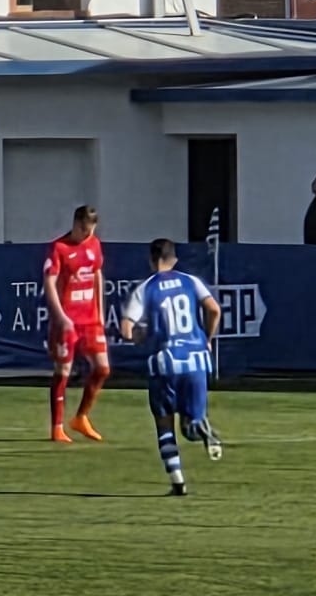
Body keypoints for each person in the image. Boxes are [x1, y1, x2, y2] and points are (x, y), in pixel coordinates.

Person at [119, 238, 224, 496]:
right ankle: (199, 427)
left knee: (164, 424)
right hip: (196, 360)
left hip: (164, 363)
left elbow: (126, 329)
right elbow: (214, 310)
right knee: (190, 426)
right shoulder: (191, 281)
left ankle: (178, 482)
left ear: (151, 260)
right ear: (174, 259)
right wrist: (206, 340)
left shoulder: (145, 289)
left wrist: (140, 336)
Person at [43, 204, 108, 444]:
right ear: (74, 224)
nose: (86, 234)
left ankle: (81, 417)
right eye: (83, 229)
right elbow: (49, 282)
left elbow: (97, 274)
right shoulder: (59, 248)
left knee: (102, 368)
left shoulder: (94, 244)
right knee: (63, 372)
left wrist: (101, 311)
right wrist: (60, 317)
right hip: (68, 320)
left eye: (90, 230)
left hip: (90, 318)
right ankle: (57, 427)